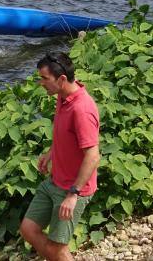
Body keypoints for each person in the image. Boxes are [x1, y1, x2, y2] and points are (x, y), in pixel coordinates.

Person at [19, 53, 100, 261]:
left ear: (62, 79)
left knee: (58, 249)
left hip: (73, 189)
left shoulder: (82, 109)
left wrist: (73, 195)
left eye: (44, 78)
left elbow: (93, 156)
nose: (41, 83)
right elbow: (66, 134)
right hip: (55, 181)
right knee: (28, 229)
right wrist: (51, 152)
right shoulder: (63, 96)